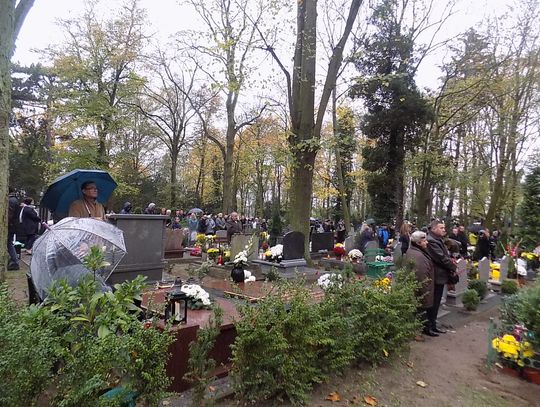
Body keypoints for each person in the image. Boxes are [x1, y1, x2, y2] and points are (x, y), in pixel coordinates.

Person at [426, 220, 457, 335]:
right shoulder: (431, 241)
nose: (444, 230)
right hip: (436, 275)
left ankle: (433, 324)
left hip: (440, 275)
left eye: (444, 228)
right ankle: (429, 326)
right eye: (441, 228)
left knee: (437, 301)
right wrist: (453, 267)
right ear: (434, 229)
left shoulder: (437, 239)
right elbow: (441, 258)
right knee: (433, 301)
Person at [405, 231, 435, 336]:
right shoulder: (419, 257)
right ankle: (418, 333)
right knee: (420, 312)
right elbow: (422, 277)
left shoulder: (412, 251)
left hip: (416, 289)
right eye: (424, 241)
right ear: (418, 243)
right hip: (421, 291)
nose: (427, 242)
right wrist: (426, 294)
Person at [7, 187, 20, 270]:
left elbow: (10, 214)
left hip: (11, 225)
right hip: (13, 225)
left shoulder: (11, 201)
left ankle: (15, 261)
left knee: (9, 243)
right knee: (9, 243)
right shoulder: (14, 200)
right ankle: (14, 260)